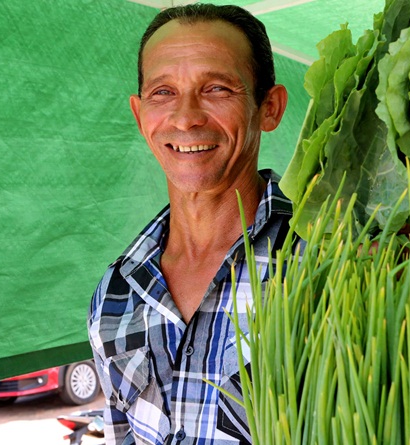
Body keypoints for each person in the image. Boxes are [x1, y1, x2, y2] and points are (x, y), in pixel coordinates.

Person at [87, 4, 290, 444]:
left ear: (269, 108)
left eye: (216, 88)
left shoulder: (329, 259)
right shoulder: (117, 293)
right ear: (140, 116)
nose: (185, 117)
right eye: (163, 92)